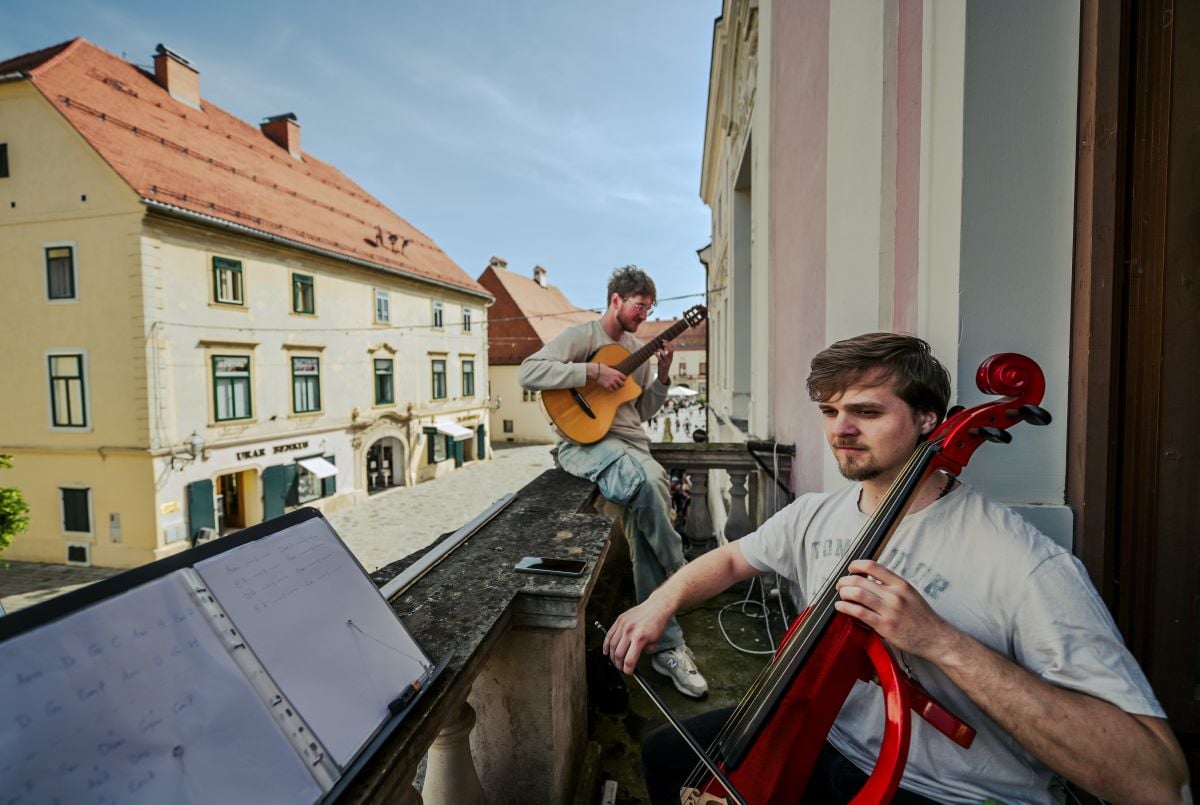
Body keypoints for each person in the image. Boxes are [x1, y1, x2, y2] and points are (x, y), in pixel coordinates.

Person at [603, 333, 1189, 803]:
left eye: (865, 411)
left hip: (945, 789)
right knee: (666, 757)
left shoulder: (1025, 564)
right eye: (830, 411)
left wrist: (940, 641)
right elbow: (732, 556)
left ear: (930, 421)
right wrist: (660, 603)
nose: (840, 429)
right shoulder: (816, 515)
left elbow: (1154, 779)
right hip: (826, 738)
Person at [520, 265, 707, 698]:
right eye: (638, 307)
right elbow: (529, 372)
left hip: (627, 443)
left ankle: (665, 645)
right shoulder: (585, 338)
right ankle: (682, 572)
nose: (643, 315)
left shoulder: (641, 350)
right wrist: (590, 374)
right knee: (648, 483)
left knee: (643, 529)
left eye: (649, 309)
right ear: (616, 300)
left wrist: (661, 377)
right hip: (584, 444)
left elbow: (640, 413)